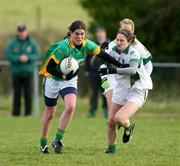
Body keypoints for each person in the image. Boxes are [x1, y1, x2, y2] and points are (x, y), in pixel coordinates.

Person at [39, 20, 123, 154]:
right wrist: (62, 75)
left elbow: (102, 54)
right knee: (50, 114)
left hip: (69, 79)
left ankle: (57, 140)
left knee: (71, 106)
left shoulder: (87, 44)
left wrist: (119, 65)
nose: (79, 36)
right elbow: (49, 67)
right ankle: (43, 143)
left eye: (82, 34)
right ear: (71, 34)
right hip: (52, 78)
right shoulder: (63, 48)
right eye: (76, 34)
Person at [98, 29, 153, 153]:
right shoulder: (112, 52)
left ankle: (129, 127)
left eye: (122, 40)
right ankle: (111, 149)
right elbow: (96, 62)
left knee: (120, 118)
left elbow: (133, 70)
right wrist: (99, 51)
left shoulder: (134, 53)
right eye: (117, 40)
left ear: (129, 42)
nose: (118, 42)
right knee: (111, 121)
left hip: (138, 89)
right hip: (122, 88)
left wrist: (113, 71)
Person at [6, 24, 40, 116]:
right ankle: (16, 113)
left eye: (23, 32)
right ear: (18, 32)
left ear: (26, 32)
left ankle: (28, 113)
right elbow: (9, 55)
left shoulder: (32, 43)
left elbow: (36, 54)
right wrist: (19, 58)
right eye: (20, 32)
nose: (22, 34)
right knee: (17, 94)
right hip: (16, 73)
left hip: (28, 73)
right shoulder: (13, 43)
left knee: (28, 94)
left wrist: (28, 58)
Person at [84, 25, 108, 118]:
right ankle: (92, 112)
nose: (99, 34)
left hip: (106, 74)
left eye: (101, 32)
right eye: (98, 33)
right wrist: (87, 70)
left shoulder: (109, 44)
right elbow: (87, 59)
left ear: (104, 33)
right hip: (94, 74)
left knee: (106, 92)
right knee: (93, 94)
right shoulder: (92, 45)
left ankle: (106, 111)